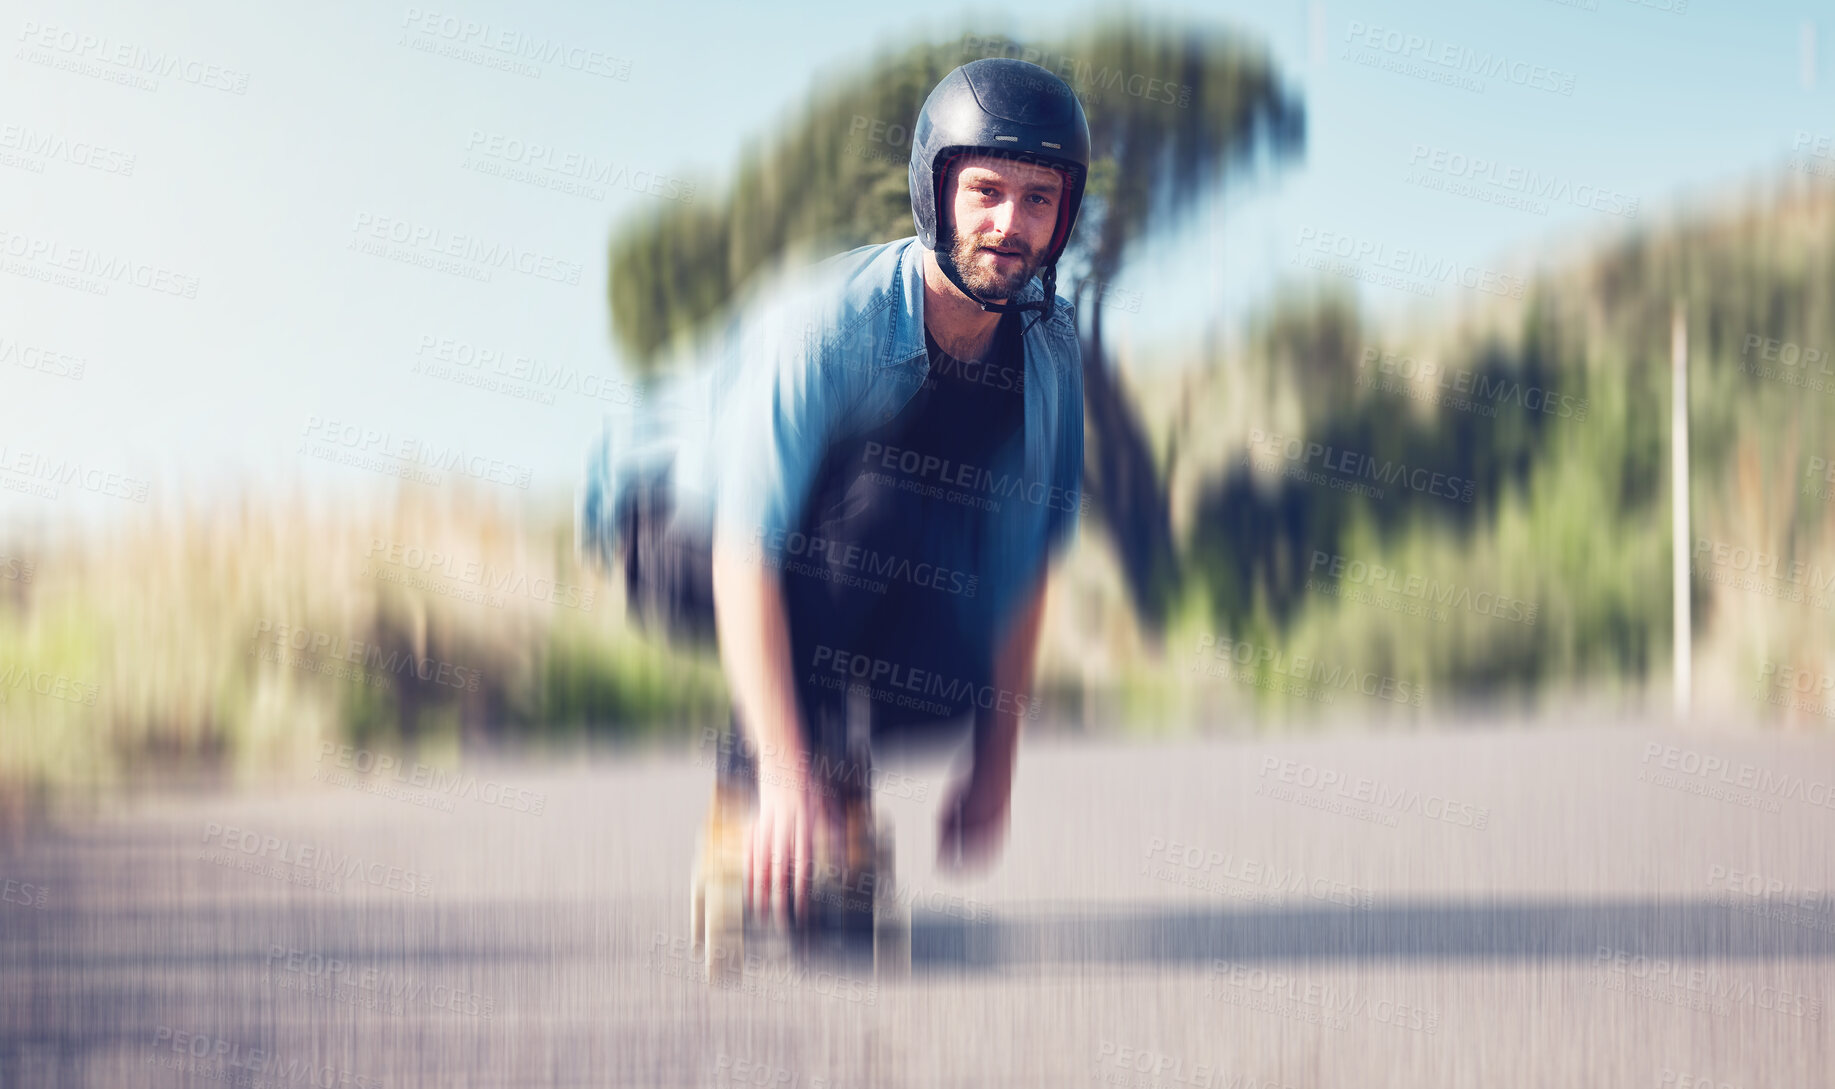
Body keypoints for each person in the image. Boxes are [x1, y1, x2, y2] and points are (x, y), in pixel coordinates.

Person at [578, 58, 1089, 927]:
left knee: (955, 656)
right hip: (672, 519)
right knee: (883, 508)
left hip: (845, 536)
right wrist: (778, 775)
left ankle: (832, 785)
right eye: (986, 192)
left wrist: (993, 767)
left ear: (1063, 216)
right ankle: (765, 797)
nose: (1010, 224)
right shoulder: (827, 323)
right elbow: (748, 543)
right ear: (935, 194)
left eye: (1038, 199)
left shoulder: (1047, 352)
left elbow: (1022, 569)